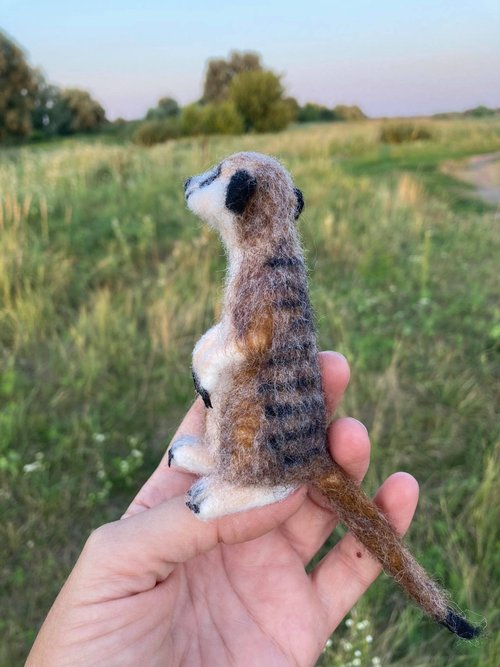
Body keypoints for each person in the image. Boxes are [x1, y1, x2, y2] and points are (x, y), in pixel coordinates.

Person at [26, 352, 419, 666]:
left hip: (273, 461)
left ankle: (247, 484)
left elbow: (248, 335)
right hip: (245, 438)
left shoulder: (268, 278)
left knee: (244, 409)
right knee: (229, 399)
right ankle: (227, 467)